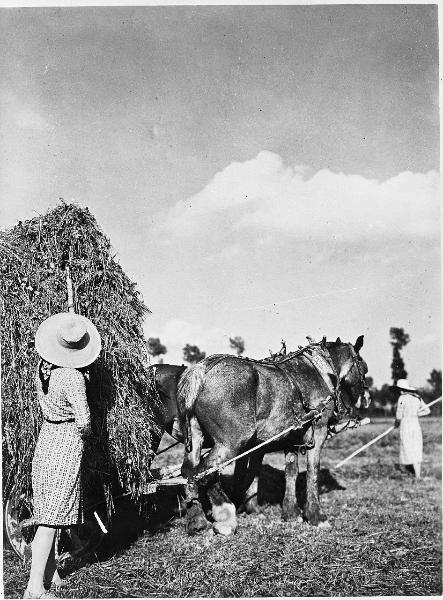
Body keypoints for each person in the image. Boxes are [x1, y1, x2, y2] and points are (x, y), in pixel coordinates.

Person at [23, 312, 101, 599]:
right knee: (51, 520)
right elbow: (84, 420)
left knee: (49, 512)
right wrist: (87, 435)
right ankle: (34, 589)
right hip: (66, 444)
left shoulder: (43, 370)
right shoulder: (73, 377)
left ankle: (51, 573)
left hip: (46, 440)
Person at [394, 378, 430, 479]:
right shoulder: (417, 398)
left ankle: (415, 474)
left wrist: (396, 424)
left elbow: (399, 415)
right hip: (415, 424)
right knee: (416, 447)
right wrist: (417, 413)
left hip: (406, 425)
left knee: (408, 448)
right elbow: (427, 410)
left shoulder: (402, 399)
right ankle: (417, 474)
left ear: (401, 389)